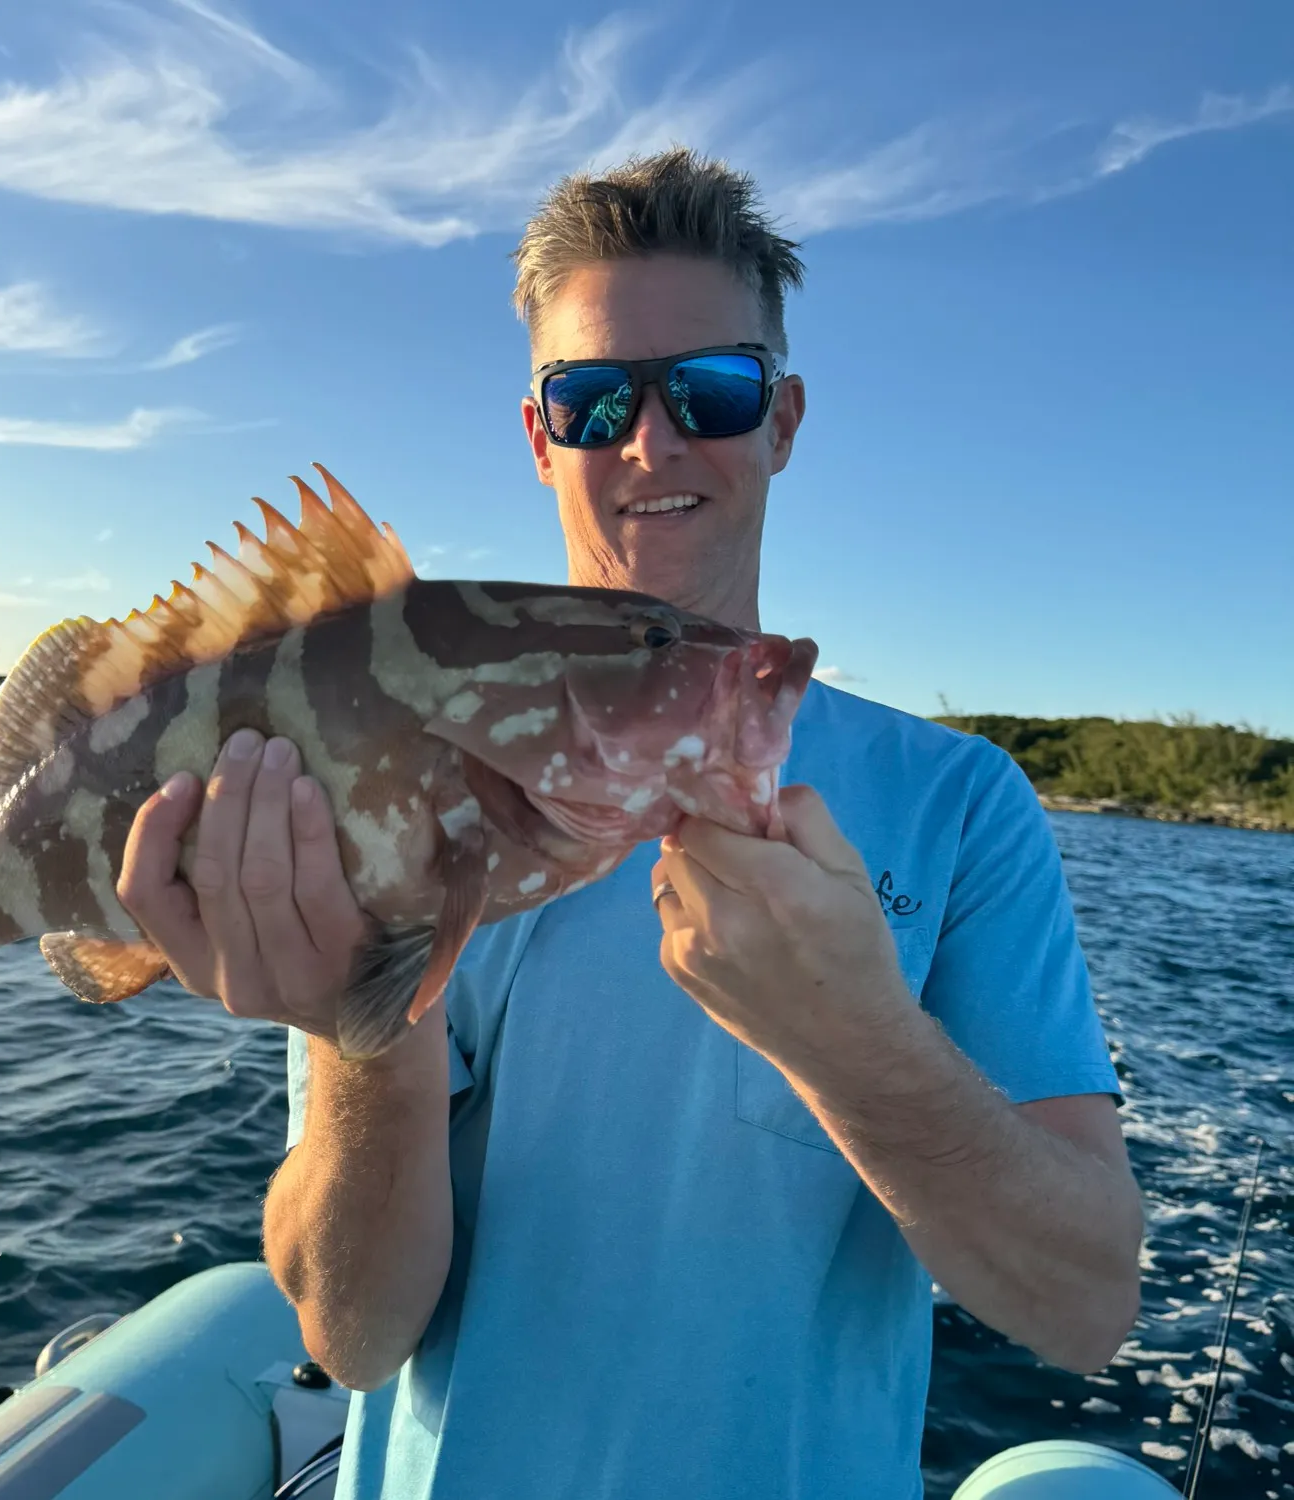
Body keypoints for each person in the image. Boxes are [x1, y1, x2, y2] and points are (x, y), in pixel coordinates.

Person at [117, 149, 1142, 1499]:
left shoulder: (962, 806)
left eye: (710, 392)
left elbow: (1087, 1311)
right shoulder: (397, 769)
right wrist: (375, 1031)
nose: (652, 442)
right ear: (542, 439)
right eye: (594, 399)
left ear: (781, 420)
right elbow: (354, 1340)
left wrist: (857, 1044)